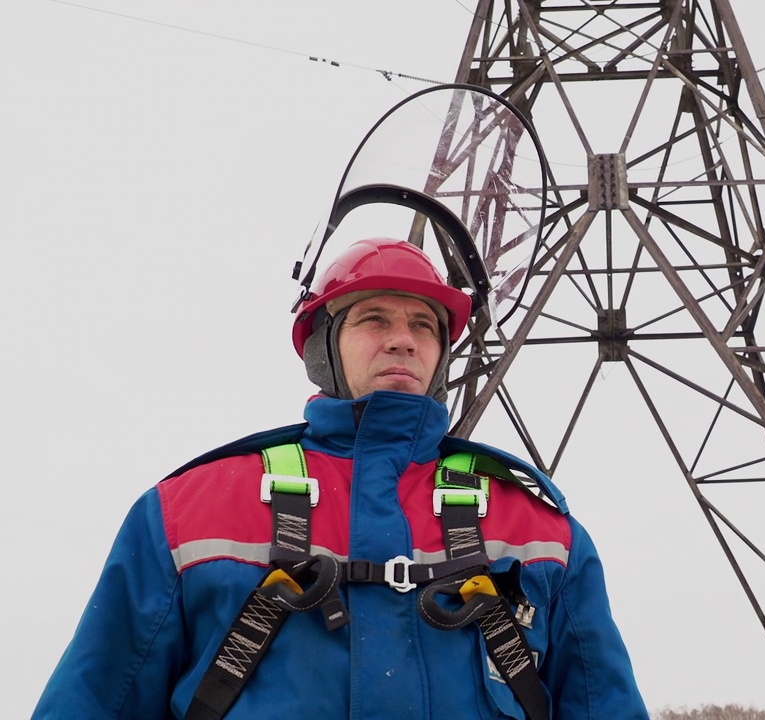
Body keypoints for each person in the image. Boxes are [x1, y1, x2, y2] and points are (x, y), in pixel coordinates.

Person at [32, 237, 648, 719]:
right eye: (373, 319)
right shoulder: (187, 512)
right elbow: (92, 699)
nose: (403, 340)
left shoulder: (543, 531)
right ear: (323, 346)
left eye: (424, 325)